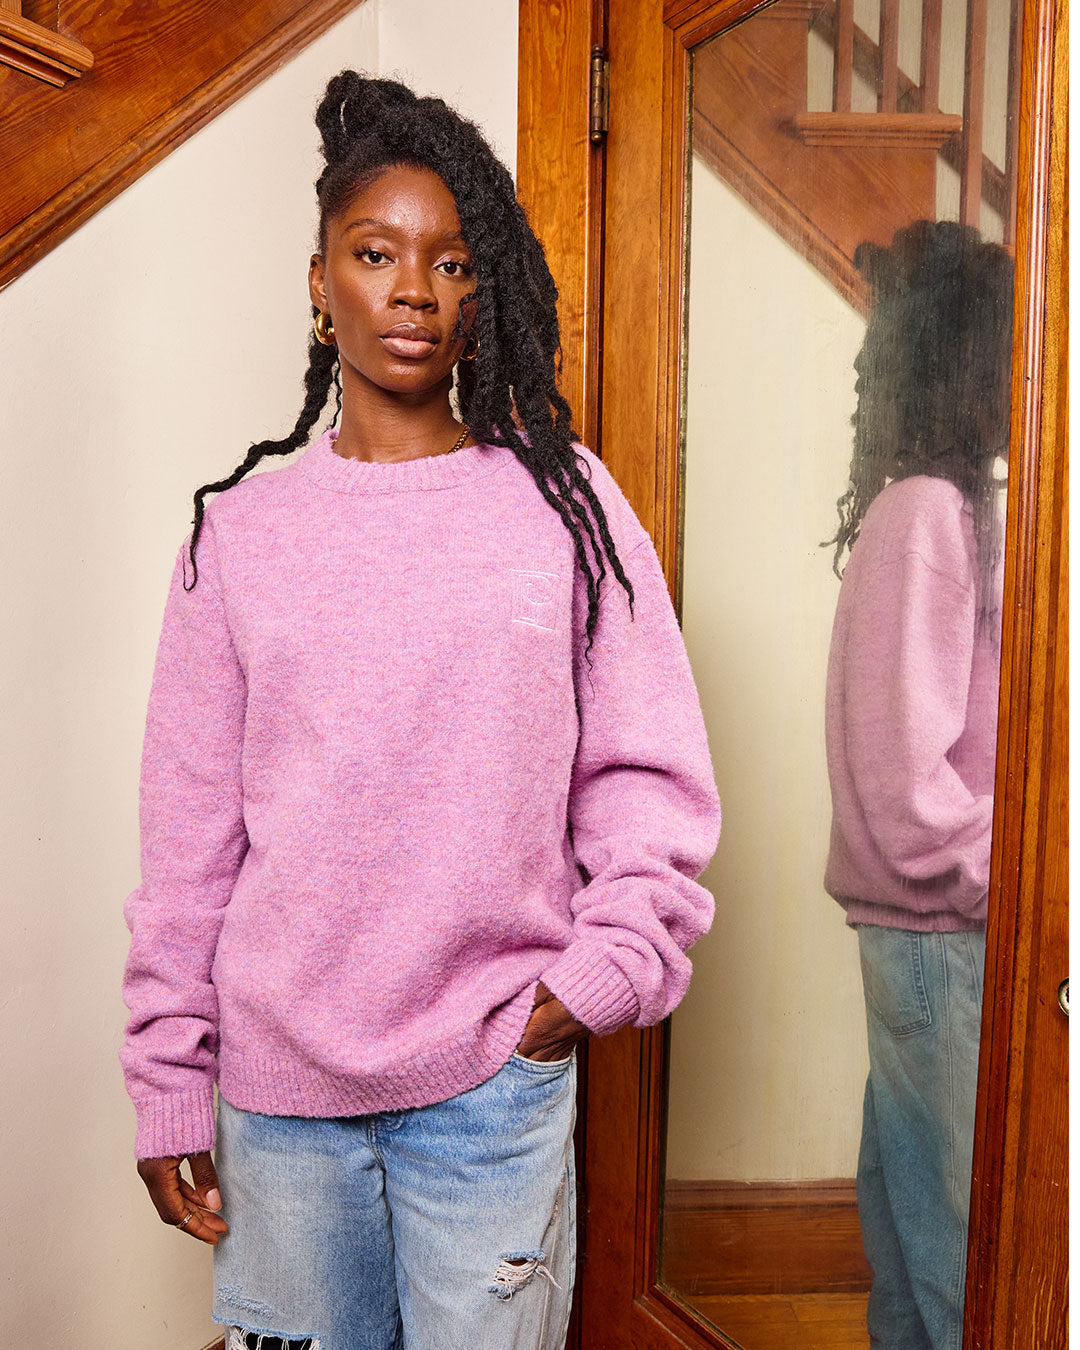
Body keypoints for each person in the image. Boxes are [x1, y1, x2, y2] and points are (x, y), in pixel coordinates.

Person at [120, 73, 721, 1350]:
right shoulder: (241, 535)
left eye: (451, 263)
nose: (412, 290)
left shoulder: (565, 508)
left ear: (482, 289)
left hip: (490, 1085)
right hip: (280, 1102)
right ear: (320, 277)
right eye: (375, 252)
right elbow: (189, 845)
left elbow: (647, 775)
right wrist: (171, 1081)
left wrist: (594, 981)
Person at [822, 220, 1013, 1350]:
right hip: (945, 933)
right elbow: (906, 785)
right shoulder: (930, 516)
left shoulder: (940, 510)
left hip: (927, 933)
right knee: (957, 1244)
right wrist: (1018, 882)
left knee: (907, 1223)